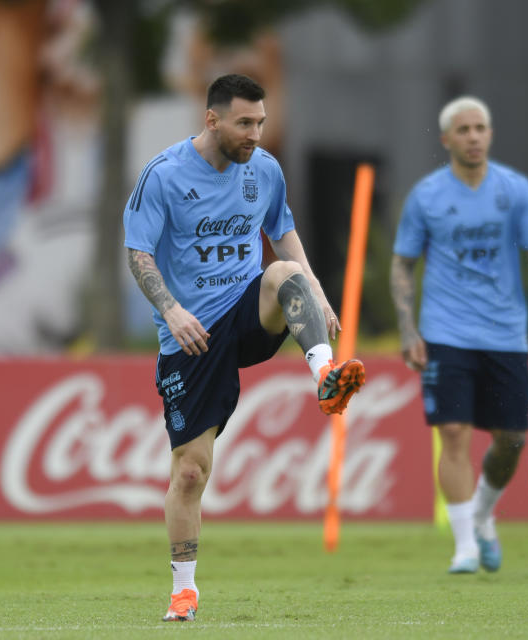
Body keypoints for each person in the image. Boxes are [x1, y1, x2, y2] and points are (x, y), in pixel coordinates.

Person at [123, 73, 365, 623]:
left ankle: (325, 376)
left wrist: (317, 294)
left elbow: (284, 235)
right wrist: (172, 310)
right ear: (212, 120)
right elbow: (138, 254)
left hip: (248, 311)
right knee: (190, 472)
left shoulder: (266, 171)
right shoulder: (162, 176)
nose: (257, 132)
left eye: (261, 121)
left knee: (282, 273)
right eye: (245, 123)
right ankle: (184, 590)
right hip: (191, 335)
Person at [390, 96, 528, 574]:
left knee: (512, 440)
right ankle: (463, 545)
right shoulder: (426, 196)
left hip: (505, 332)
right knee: (454, 431)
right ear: (446, 139)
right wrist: (408, 329)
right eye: (463, 129)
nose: (473, 136)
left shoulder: (515, 189)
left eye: (480, 127)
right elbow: (403, 267)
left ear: (491, 134)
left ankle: (483, 513)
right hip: (446, 330)